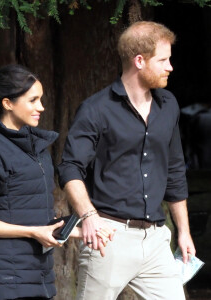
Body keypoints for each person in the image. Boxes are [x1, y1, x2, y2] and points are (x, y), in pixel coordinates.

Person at [58, 21, 196, 300]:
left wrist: (183, 232)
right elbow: (70, 167)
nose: (170, 67)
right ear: (139, 61)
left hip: (156, 238)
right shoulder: (96, 110)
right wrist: (89, 217)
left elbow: (174, 170)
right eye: (163, 60)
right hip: (108, 238)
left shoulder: (168, 104)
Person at [0, 64, 81, 300]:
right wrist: (33, 232)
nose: (41, 107)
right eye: (33, 100)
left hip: (37, 277)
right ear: (8, 103)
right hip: (2, 282)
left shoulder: (36, 150)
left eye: (41, 99)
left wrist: (78, 232)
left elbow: (27, 212)